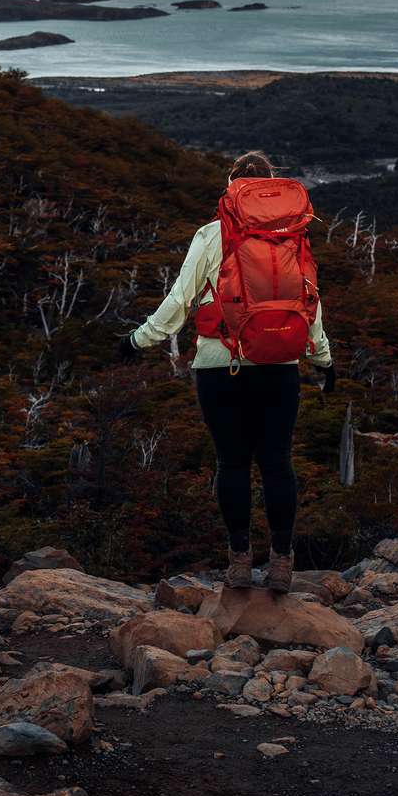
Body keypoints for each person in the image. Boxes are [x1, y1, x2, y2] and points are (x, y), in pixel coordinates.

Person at [120, 150, 335, 592]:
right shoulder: (293, 237)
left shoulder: (213, 234)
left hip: (221, 365)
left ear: (233, 186)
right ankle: (280, 563)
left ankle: (239, 562)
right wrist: (324, 361)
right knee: (277, 464)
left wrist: (139, 340)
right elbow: (309, 305)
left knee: (232, 463)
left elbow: (180, 300)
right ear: (270, 187)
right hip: (280, 364)